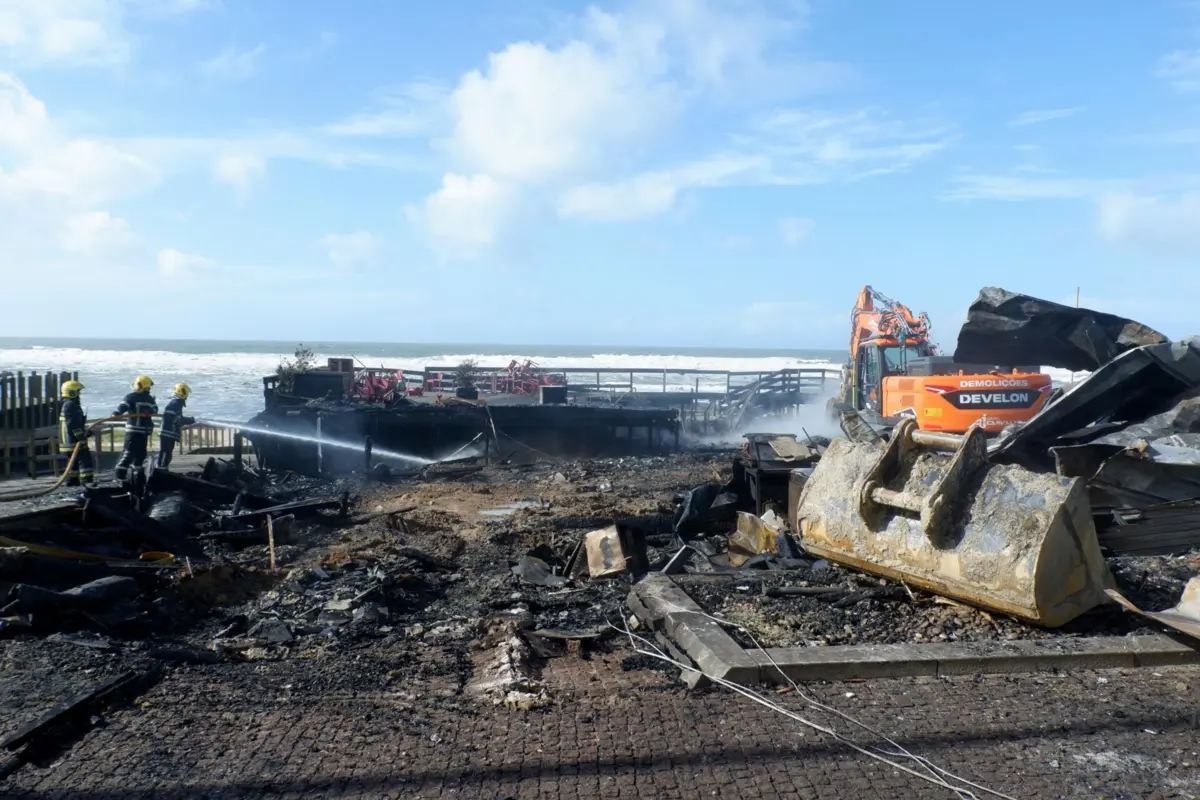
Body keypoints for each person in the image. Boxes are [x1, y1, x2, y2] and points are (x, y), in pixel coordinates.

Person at [113, 375, 158, 484]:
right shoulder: (150, 398)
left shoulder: (131, 396)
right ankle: (135, 477)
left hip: (134, 431)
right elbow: (155, 410)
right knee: (138, 455)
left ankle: (123, 476)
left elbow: (121, 408)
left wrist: (115, 414)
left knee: (131, 454)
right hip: (144, 431)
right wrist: (146, 413)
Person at [58, 380, 94, 487]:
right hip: (72, 441)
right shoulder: (70, 405)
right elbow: (72, 424)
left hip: (69, 441)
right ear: (71, 393)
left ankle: (72, 481)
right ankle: (87, 481)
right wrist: (81, 436)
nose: (79, 395)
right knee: (85, 460)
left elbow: (77, 423)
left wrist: (86, 431)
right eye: (77, 392)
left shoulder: (69, 405)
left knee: (72, 463)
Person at [157, 383, 195, 469]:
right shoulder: (176, 403)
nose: (187, 396)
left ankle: (162, 469)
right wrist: (190, 420)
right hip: (168, 433)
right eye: (187, 393)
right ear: (183, 392)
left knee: (167, 453)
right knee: (165, 453)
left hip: (168, 433)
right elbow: (178, 420)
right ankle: (161, 471)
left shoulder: (175, 403)